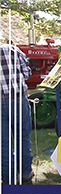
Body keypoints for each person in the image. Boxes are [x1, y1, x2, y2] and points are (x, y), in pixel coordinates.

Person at [1, 43, 34, 184]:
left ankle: (9, 178)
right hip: (18, 99)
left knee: (4, 142)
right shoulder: (13, 49)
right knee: (22, 137)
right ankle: (26, 172)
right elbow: (27, 74)